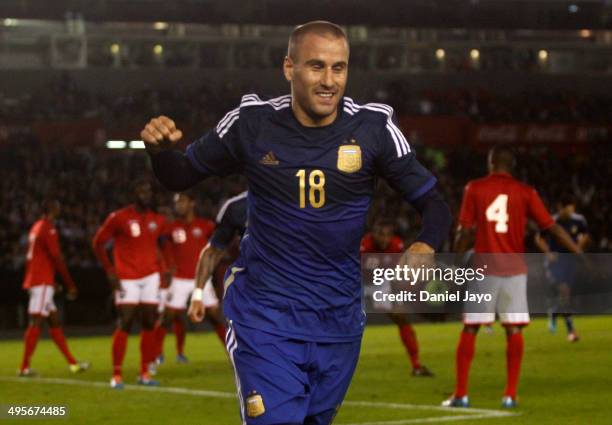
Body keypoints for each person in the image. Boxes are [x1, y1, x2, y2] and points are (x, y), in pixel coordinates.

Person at [142, 21, 452, 424]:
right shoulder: (252, 123)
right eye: (316, 67)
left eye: (339, 68)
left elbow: (434, 203)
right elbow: (179, 175)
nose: (329, 81)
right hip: (264, 316)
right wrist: (159, 151)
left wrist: (426, 244)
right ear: (289, 68)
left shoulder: (372, 129)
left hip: (338, 320)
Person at [444, 144, 581, 409]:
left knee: (471, 328)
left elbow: (464, 232)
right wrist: (578, 252)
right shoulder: (526, 192)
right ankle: (510, 395)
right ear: (513, 165)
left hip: (484, 269)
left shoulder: (475, 188)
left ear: (492, 162)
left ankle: (461, 394)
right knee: (514, 329)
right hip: (515, 270)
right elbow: (551, 227)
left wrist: (454, 264)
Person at [92, 179, 166, 388]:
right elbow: (98, 243)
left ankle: (145, 373)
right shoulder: (119, 217)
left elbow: (159, 246)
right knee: (125, 321)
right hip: (127, 277)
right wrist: (110, 271)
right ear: (133, 194)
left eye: (148, 191)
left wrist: (164, 269)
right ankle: (116, 375)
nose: (146, 194)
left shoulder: (157, 220)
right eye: (142, 191)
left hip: (150, 276)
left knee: (149, 323)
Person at [19, 199, 89, 376]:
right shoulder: (48, 228)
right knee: (36, 322)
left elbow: (34, 257)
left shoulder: (36, 226)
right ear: (51, 209)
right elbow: (56, 257)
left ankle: (72, 363)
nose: (60, 210)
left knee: (54, 321)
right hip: (41, 282)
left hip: (40, 280)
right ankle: (24, 367)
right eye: (57, 207)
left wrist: (49, 281)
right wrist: (69, 284)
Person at [360, 218, 433, 377]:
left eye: (387, 235)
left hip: (379, 283)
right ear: (374, 234)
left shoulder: (396, 245)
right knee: (344, 321)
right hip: (357, 283)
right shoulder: (364, 245)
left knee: (400, 317)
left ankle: (416, 365)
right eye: (381, 234)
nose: (384, 239)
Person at [154, 191, 215, 365]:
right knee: (168, 317)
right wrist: (167, 266)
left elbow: (218, 247)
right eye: (176, 203)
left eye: (182, 201)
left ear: (192, 203)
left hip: (202, 278)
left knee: (216, 316)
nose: (178, 205)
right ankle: (156, 353)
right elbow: (158, 245)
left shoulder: (206, 226)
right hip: (178, 279)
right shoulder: (170, 227)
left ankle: (232, 354)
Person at [188, 191, 247, 333]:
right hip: (258, 292)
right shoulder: (238, 207)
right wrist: (197, 295)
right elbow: (212, 251)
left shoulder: (305, 200)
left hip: (300, 290)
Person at [534, 194, 590, 342]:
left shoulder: (579, 220)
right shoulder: (552, 221)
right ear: (561, 207)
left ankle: (554, 312)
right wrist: (548, 253)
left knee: (566, 294)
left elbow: (585, 236)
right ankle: (571, 331)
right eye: (567, 207)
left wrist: (577, 247)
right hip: (556, 261)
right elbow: (538, 238)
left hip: (570, 261)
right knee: (564, 291)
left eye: (572, 206)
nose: (570, 210)